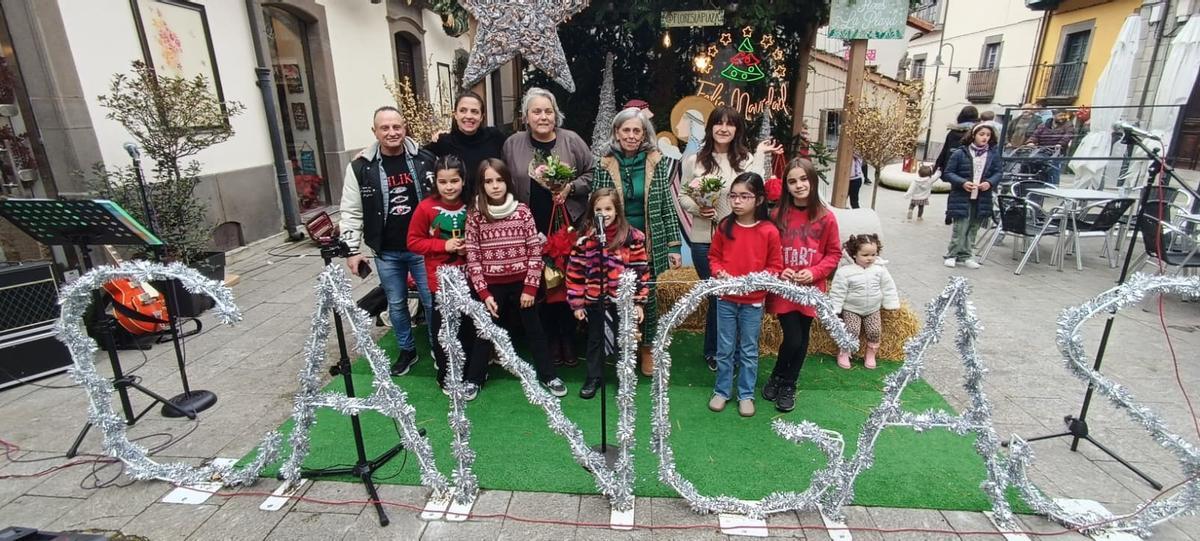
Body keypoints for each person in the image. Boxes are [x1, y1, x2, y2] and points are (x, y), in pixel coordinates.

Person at [680, 106, 782, 372]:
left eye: (730, 124)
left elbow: (755, 184)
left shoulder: (745, 159)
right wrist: (698, 208)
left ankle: (739, 350)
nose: (723, 128)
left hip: (739, 238)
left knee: (739, 296)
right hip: (705, 237)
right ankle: (715, 351)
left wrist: (759, 153)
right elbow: (682, 195)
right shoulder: (694, 161)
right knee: (717, 293)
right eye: (718, 123)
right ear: (710, 127)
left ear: (737, 129)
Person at [340, 106, 436, 377]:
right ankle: (407, 350)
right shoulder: (361, 167)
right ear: (375, 131)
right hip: (387, 251)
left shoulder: (424, 159)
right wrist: (351, 250)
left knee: (430, 301)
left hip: (422, 249)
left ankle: (438, 347)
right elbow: (351, 210)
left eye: (397, 127)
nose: (392, 132)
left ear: (405, 128)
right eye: (385, 128)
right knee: (396, 303)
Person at [502, 87, 592, 366]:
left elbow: (592, 173)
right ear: (526, 117)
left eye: (548, 111)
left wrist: (570, 186)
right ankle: (548, 340)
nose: (543, 116)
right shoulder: (513, 144)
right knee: (538, 284)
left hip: (565, 227)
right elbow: (502, 180)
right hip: (528, 229)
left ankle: (568, 338)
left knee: (564, 283)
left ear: (556, 114)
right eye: (536, 111)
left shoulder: (572, 141)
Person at [591, 107, 683, 376]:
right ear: (616, 133)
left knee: (648, 297)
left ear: (644, 134)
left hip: (649, 241)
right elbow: (595, 203)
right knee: (616, 294)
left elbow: (666, 203)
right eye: (626, 130)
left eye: (637, 131)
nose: (631, 136)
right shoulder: (604, 162)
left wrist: (674, 245)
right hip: (614, 242)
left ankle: (647, 349)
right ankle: (622, 348)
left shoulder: (656, 160)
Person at [465, 158, 567, 397]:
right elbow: (473, 256)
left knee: (535, 330)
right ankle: (474, 378)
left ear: (507, 182)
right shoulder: (476, 215)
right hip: (491, 285)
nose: (495, 186)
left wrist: (530, 288)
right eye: (488, 181)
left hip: (522, 283)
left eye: (499, 180)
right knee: (484, 331)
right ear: (481, 185)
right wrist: (484, 293)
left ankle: (548, 376)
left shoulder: (522, 211)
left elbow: (534, 250)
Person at [762, 159, 840, 413]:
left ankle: (787, 382)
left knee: (802, 337)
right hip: (784, 289)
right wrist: (778, 269)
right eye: (792, 181)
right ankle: (778, 376)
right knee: (793, 338)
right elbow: (768, 250)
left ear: (813, 180)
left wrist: (814, 272)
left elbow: (833, 254)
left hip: (810, 289)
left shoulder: (827, 218)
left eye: (803, 179)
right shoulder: (776, 216)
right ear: (786, 185)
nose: (799, 185)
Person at [707, 172, 783, 418]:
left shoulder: (769, 231)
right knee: (724, 347)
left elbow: (775, 266)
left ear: (759, 199)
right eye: (733, 196)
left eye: (744, 196)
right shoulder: (725, 226)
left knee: (749, 349)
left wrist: (755, 283)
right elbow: (714, 257)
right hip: (726, 299)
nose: (737, 201)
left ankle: (746, 394)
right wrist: (720, 273)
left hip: (753, 303)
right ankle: (721, 391)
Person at [407, 155, 481, 398]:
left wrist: (468, 247)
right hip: (440, 282)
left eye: (454, 181)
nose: (449, 187)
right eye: (443, 182)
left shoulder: (473, 205)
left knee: (470, 328)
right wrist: (443, 246)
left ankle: (473, 374)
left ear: (463, 180)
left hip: (470, 279)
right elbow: (413, 241)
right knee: (444, 331)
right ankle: (447, 374)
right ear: (435, 183)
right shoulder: (425, 208)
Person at [566, 188, 651, 398]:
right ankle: (594, 376)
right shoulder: (586, 240)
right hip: (596, 300)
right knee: (595, 339)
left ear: (617, 210)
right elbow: (575, 272)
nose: (603, 213)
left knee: (625, 339)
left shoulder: (632, 237)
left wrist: (639, 302)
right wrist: (577, 302)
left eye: (608, 208)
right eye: (598, 209)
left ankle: (624, 376)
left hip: (623, 300)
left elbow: (640, 270)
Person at [829, 234, 900, 370]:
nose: (870, 258)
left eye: (873, 254)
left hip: (872, 309)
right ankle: (844, 351)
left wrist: (891, 303)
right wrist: (835, 308)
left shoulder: (879, 270)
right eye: (865, 255)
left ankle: (871, 353)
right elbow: (838, 291)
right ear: (854, 254)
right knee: (852, 329)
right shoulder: (845, 272)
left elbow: (888, 287)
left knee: (874, 331)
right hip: (852, 308)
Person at [424, 91, 507, 195]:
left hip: (492, 207)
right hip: (458, 209)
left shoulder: (495, 137)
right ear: (455, 115)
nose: (468, 116)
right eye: (463, 111)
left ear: (482, 117)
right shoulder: (443, 142)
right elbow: (418, 157)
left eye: (474, 111)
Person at [943, 123, 1002, 269]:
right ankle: (952, 254)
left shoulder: (993, 154)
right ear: (974, 135)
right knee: (960, 227)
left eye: (988, 135)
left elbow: (998, 172)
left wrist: (989, 183)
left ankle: (967, 255)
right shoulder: (960, 153)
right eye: (982, 134)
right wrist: (963, 182)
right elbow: (948, 173)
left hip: (982, 197)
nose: (985, 138)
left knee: (973, 227)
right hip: (961, 196)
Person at [1024, 109, 1076, 185]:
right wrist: (1031, 142)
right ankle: (1036, 183)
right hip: (1043, 150)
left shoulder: (1068, 125)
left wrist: (1060, 144)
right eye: (1060, 115)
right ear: (1054, 116)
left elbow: (1068, 135)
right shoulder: (1044, 125)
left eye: (1064, 115)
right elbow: (1036, 134)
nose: (1063, 117)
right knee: (1034, 164)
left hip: (1057, 151)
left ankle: (1054, 186)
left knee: (1054, 169)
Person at [933, 105, 979, 174]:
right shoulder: (977, 133)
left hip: (951, 166)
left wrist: (937, 166)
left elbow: (945, 150)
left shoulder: (952, 132)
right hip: (969, 169)